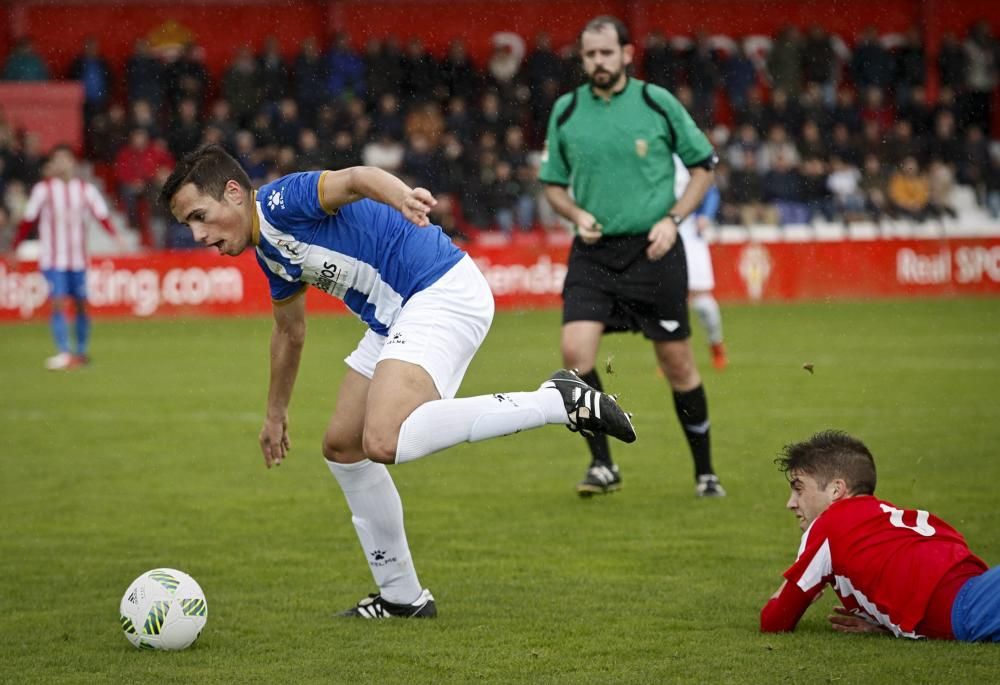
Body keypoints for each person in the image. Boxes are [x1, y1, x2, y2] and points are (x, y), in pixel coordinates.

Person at [159, 145, 636, 619]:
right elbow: (290, 332)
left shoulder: (282, 201)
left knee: (383, 438)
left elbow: (354, 178)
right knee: (344, 447)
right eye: (188, 225)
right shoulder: (270, 254)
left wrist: (402, 196)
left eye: (200, 215)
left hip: (439, 288)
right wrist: (275, 413)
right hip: (396, 314)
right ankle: (402, 596)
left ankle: (554, 401)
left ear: (234, 193)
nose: (199, 234)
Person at [539, 16, 723, 498]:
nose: (597, 62)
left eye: (606, 52)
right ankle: (603, 466)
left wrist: (674, 219)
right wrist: (575, 212)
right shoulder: (565, 111)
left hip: (655, 249)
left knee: (679, 364)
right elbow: (552, 185)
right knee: (575, 358)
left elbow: (704, 167)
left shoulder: (655, 102)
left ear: (627, 52)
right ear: (581, 59)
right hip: (593, 252)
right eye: (589, 55)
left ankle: (705, 472)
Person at [761, 430, 999, 641]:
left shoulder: (829, 525)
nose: (791, 503)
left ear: (836, 489)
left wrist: (784, 590)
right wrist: (886, 623)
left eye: (798, 488)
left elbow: (775, 622)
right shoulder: (877, 520)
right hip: (980, 592)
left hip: (971, 607)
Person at [9, 145, 124, 369]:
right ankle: (63, 352)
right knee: (58, 302)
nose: (61, 164)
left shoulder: (84, 189)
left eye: (65, 159)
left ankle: (80, 353)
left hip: (78, 260)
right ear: (52, 164)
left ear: (72, 163)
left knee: (81, 305)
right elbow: (28, 220)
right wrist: (15, 247)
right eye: (57, 160)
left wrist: (116, 237)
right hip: (53, 259)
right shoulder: (44, 190)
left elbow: (101, 214)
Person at [674, 156, 726, 370]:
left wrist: (706, 215)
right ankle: (673, 355)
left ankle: (716, 345)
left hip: (692, 232)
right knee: (671, 300)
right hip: (667, 233)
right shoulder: (656, 155)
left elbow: (710, 190)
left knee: (702, 299)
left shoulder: (687, 153)